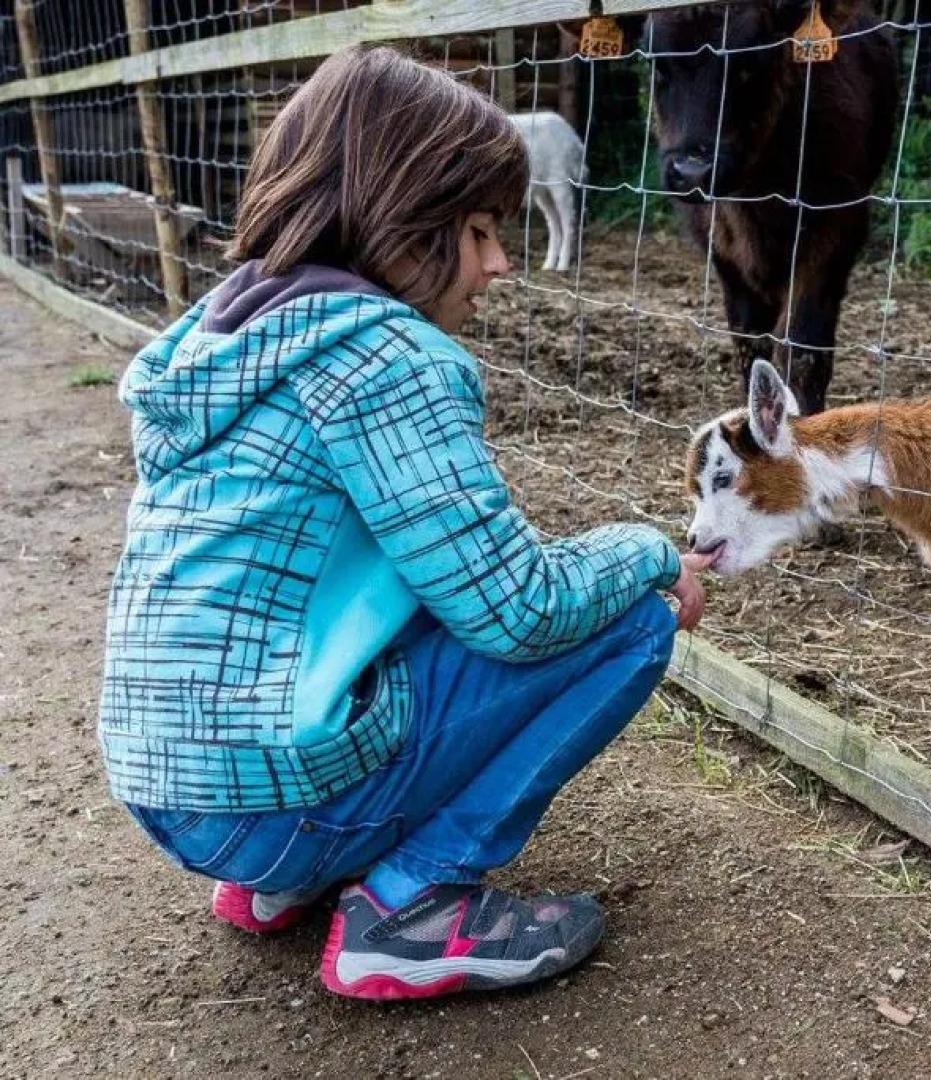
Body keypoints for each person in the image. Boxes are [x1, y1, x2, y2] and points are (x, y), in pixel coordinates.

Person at [97, 43, 712, 1002]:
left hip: (166, 787)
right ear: (402, 221)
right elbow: (519, 609)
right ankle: (408, 904)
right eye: (476, 232)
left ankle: (281, 885)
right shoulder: (387, 355)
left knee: (426, 597)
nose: (500, 263)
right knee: (636, 615)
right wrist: (646, 549)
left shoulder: (221, 335)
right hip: (265, 805)